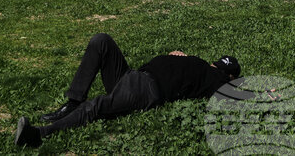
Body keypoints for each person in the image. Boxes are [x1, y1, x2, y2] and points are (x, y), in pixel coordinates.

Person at [14, 33, 240, 148]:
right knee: (101, 41)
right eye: (217, 64)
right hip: (131, 76)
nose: (216, 67)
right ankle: (73, 102)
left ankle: (39, 135)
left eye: (221, 68)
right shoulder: (199, 63)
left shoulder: (217, 80)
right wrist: (178, 55)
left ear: (226, 74)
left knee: (98, 105)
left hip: (146, 88)